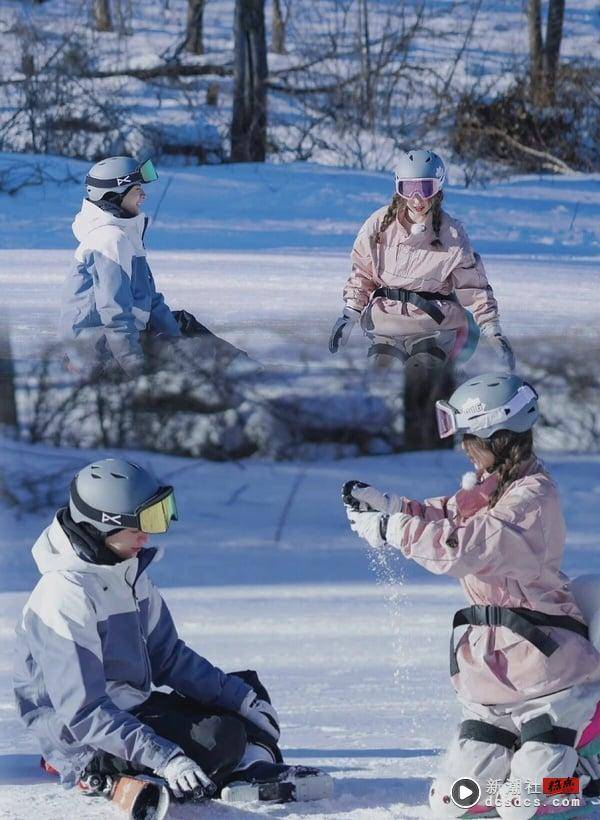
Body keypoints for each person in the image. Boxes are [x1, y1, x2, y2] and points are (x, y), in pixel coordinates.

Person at [342, 374, 600, 818]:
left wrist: (392, 530)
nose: (465, 447)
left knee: (528, 801)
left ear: (500, 436)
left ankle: (578, 773)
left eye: (471, 437)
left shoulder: (532, 498)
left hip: (548, 675)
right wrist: (391, 507)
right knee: (456, 800)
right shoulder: (489, 488)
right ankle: (526, 759)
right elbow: (445, 514)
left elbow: (463, 546)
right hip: (490, 678)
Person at [13, 458, 333, 805]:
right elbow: (82, 712)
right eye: (142, 523)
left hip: (130, 706)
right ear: (105, 526)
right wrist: (164, 756)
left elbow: (168, 657)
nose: (147, 535)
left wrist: (241, 699)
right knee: (219, 737)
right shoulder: (65, 595)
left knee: (246, 694)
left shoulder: (127, 572)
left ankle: (249, 768)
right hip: (83, 733)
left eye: (158, 517)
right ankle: (98, 771)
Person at [329, 150, 515, 371]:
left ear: (438, 188)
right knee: (383, 375)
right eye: (408, 188)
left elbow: (474, 287)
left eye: (425, 188)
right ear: (399, 189)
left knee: (422, 374)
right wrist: (350, 314)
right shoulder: (379, 225)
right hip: (386, 325)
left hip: (432, 327)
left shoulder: (451, 235)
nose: (417, 198)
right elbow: (362, 272)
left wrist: (492, 329)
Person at [59, 157, 246, 376]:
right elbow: (115, 315)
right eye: (137, 189)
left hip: (122, 336)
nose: (144, 196)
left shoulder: (126, 233)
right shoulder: (109, 240)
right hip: (97, 348)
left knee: (184, 325)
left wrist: (175, 339)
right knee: (202, 352)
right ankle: (244, 375)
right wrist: (136, 368)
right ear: (115, 195)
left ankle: (245, 366)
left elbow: (150, 299)